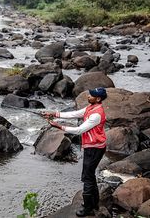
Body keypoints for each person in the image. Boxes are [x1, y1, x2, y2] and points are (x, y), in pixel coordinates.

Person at [42, 87, 107, 217]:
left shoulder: (97, 114)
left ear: (98, 99)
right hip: (93, 146)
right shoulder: (90, 107)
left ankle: (88, 208)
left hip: (95, 148)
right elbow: (74, 114)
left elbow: (79, 130)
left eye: (91, 95)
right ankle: (94, 203)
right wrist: (54, 113)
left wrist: (59, 126)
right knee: (90, 175)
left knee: (87, 177)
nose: (88, 96)